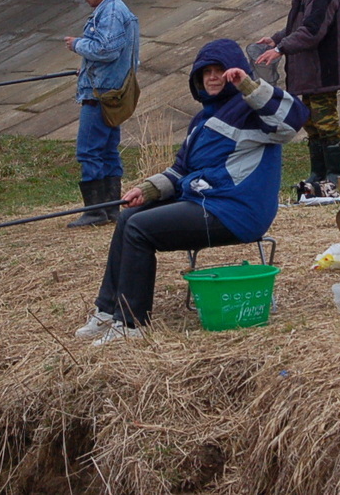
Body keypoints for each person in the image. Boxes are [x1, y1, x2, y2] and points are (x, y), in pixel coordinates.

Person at [75, 38, 308, 345]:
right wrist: (148, 190)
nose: (212, 77)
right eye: (205, 71)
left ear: (234, 73)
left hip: (235, 212)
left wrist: (249, 86)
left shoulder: (252, 111)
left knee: (139, 230)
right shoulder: (202, 119)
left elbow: (293, 121)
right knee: (128, 217)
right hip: (203, 203)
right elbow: (181, 169)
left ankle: (131, 324)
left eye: (220, 70)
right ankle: (107, 310)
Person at [255, 0, 340, 191]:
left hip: (323, 69)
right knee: (310, 122)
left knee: (326, 121)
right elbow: (298, 25)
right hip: (307, 71)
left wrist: (280, 48)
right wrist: (276, 38)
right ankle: (317, 173)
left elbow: (312, 30)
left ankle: (334, 176)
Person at [64, 0, 139, 227]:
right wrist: (86, 65)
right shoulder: (117, 11)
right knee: (108, 151)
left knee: (89, 151)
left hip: (100, 95)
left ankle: (95, 211)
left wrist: (77, 45)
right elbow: (113, 54)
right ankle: (111, 209)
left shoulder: (110, 13)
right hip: (111, 93)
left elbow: (105, 49)